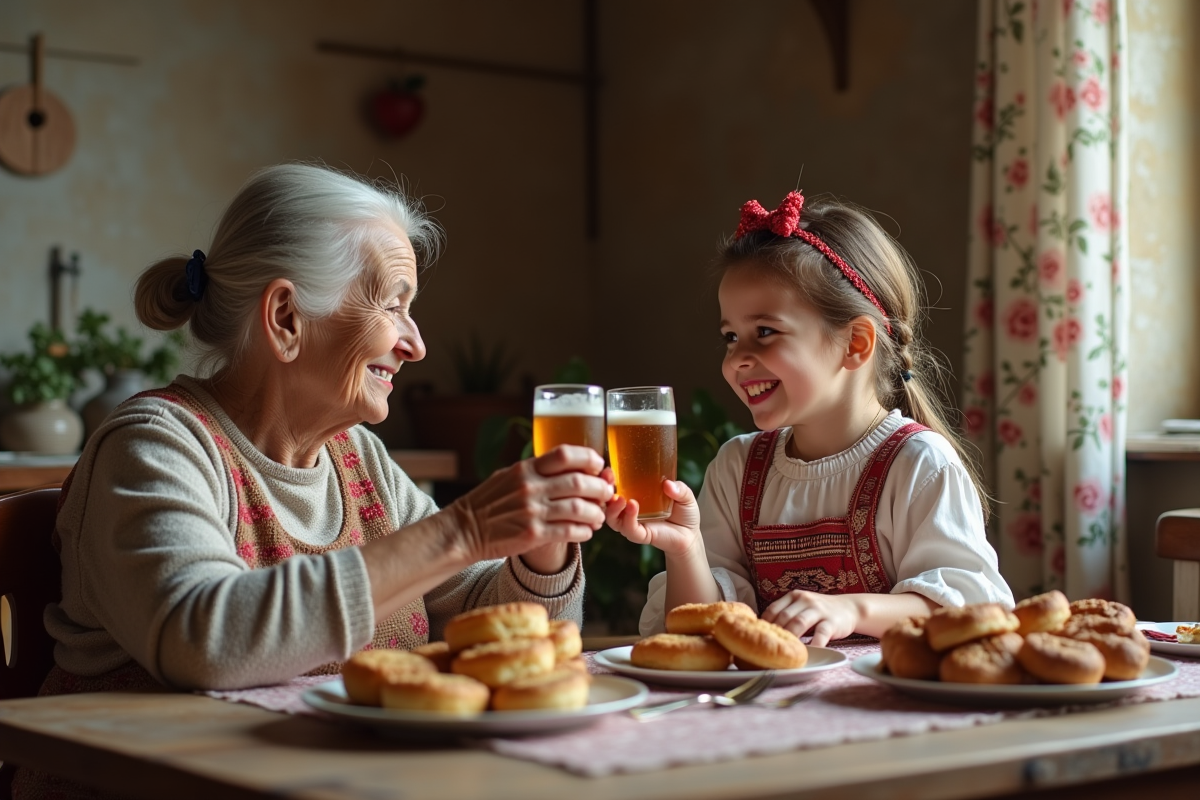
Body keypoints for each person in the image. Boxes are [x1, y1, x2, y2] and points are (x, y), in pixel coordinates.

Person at [38, 163, 612, 695]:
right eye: (392, 306)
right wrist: (462, 529)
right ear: (286, 318)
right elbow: (206, 641)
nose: (416, 345)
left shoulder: (356, 459)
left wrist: (543, 543)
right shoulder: (155, 444)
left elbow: (499, 631)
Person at [607, 191, 1013, 645]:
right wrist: (685, 549)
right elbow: (697, 630)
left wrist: (851, 609)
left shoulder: (918, 464)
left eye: (765, 332)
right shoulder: (737, 469)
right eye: (730, 336)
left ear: (855, 343)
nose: (737, 358)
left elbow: (971, 608)